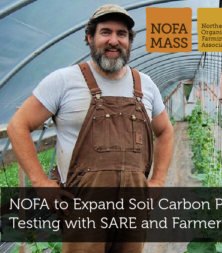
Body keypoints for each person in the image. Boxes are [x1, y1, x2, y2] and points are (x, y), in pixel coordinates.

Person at [7, 3, 174, 253]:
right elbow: (18, 125)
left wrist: (158, 180)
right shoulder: (64, 80)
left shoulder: (145, 85)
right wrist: (41, 182)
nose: (114, 41)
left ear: (129, 40)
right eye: (105, 32)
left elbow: (165, 131)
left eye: (122, 34)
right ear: (89, 37)